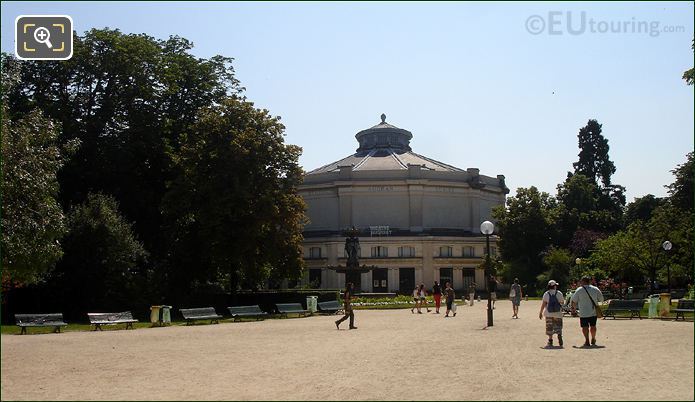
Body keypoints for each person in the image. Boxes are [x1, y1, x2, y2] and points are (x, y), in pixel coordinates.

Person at [570, 276, 604, 347]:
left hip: (583, 312)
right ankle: (593, 338)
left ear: (583, 281)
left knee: (584, 327)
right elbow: (601, 299)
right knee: (593, 326)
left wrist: (573, 309)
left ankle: (587, 340)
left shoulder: (579, 290)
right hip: (593, 311)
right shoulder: (595, 289)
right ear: (589, 281)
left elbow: (574, 301)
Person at [539, 280, 565, 347]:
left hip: (549, 313)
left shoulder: (546, 294)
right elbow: (562, 302)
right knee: (558, 326)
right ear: (554, 286)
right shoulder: (559, 293)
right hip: (558, 313)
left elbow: (543, 303)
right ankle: (559, 335)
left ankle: (550, 341)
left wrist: (541, 312)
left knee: (550, 327)